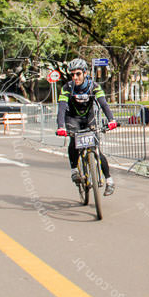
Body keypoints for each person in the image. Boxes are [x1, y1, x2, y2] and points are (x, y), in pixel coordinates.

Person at [55, 58, 118, 195]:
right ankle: (74, 170)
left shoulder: (94, 86)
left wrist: (111, 120)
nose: (75, 77)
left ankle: (109, 181)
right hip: (72, 118)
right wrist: (61, 126)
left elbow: (103, 104)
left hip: (89, 118)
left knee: (96, 150)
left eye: (78, 74)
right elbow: (61, 108)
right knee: (73, 142)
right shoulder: (67, 88)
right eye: (72, 75)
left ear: (85, 73)